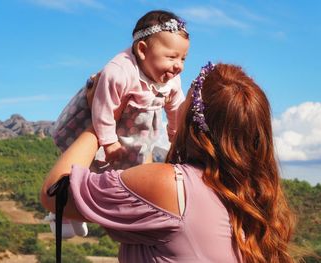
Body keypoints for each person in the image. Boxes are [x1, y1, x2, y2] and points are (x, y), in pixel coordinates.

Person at [41, 62, 295, 263]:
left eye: (185, 100)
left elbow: (54, 193)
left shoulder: (170, 186)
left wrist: (101, 116)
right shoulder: (248, 199)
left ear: (194, 119)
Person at [46, 9, 190, 238]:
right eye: (172, 57)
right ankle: (62, 214)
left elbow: (175, 108)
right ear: (142, 50)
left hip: (136, 134)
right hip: (105, 123)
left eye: (183, 59)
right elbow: (103, 108)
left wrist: (175, 133)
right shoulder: (119, 71)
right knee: (86, 164)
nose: (179, 66)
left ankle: (78, 212)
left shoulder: (172, 80)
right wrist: (109, 141)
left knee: (124, 177)